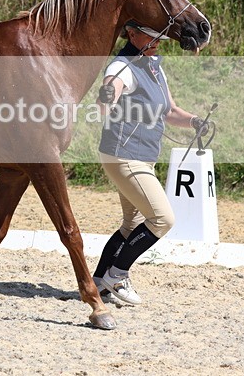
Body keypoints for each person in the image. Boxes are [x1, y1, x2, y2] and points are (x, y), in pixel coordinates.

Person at [94, 20, 210, 305]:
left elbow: (169, 111)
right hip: (125, 156)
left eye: (159, 37)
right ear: (132, 34)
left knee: (132, 224)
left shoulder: (154, 66)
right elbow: (105, 102)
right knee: (162, 219)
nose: (157, 41)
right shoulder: (122, 66)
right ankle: (117, 275)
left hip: (142, 157)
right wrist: (106, 98)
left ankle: (97, 284)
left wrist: (194, 121)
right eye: (151, 36)